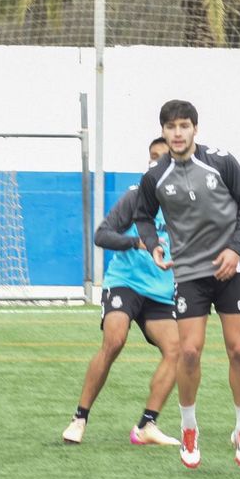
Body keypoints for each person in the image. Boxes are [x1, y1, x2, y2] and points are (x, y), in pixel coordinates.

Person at [134, 99, 240, 470]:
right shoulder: (155, 176)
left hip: (229, 270)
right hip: (188, 273)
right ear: (163, 131)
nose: (177, 133)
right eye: (170, 126)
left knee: (238, 350)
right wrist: (155, 246)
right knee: (189, 352)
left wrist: (235, 250)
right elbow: (142, 214)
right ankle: (189, 429)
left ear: (195, 130)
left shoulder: (221, 162)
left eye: (184, 126)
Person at [63, 138, 182, 447]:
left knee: (176, 351)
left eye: (163, 157)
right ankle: (79, 418)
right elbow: (102, 235)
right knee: (114, 341)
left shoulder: (187, 202)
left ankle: (147, 425)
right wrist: (136, 242)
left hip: (160, 291)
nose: (155, 163)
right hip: (125, 282)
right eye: (152, 158)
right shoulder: (135, 197)